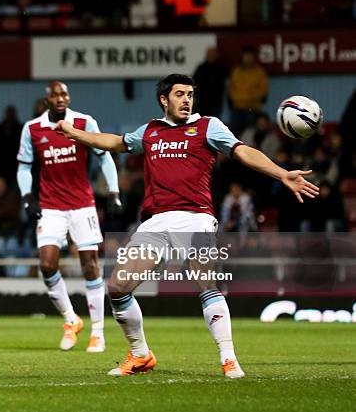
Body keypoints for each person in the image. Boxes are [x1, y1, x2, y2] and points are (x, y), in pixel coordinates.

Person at [55, 73, 319, 377]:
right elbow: (115, 142)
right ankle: (140, 354)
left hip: (195, 217)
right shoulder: (150, 131)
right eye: (180, 94)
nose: (186, 100)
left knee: (206, 282)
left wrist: (281, 173)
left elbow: (242, 151)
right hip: (155, 222)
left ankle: (228, 357)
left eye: (190, 94)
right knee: (117, 287)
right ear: (164, 100)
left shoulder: (208, 126)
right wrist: (77, 134)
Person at [17, 81, 122, 353]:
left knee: (90, 266)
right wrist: (27, 196)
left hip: (82, 205)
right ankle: (70, 319)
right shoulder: (32, 129)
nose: (60, 98)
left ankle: (98, 331)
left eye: (64, 93)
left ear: (68, 97)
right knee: (48, 265)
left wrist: (113, 191)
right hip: (51, 207)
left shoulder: (85, 123)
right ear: (47, 99)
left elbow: (104, 156)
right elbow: (24, 167)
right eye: (55, 94)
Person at [228, 45, 269, 136]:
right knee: (233, 135)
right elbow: (231, 88)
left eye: (250, 56)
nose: (248, 58)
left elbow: (263, 90)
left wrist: (249, 99)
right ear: (242, 57)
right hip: (237, 108)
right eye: (246, 56)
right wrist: (236, 99)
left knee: (250, 135)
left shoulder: (259, 72)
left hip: (252, 109)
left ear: (254, 57)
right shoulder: (236, 71)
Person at [192, 47, 227, 118]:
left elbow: (225, 84)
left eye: (213, 54)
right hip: (201, 101)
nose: (211, 56)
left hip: (215, 101)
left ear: (216, 55)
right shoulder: (201, 68)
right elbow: (194, 82)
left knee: (213, 123)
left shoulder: (221, 68)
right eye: (209, 54)